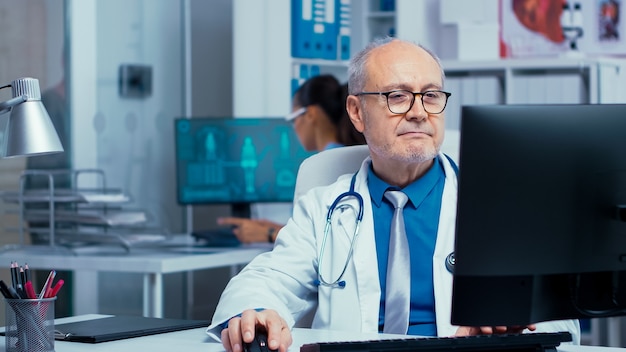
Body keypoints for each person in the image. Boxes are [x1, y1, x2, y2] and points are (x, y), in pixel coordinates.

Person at [207, 37, 581, 351]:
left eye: (431, 96)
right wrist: (256, 312)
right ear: (357, 112)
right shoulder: (323, 208)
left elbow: (561, 317)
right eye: (398, 96)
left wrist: (517, 325)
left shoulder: (499, 203)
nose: (419, 112)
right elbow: (269, 279)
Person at [217, 75, 365, 244]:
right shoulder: (351, 158)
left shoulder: (322, 168)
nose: (294, 127)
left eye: (293, 119)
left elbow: (323, 241)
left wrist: (270, 233)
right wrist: (277, 229)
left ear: (311, 115)